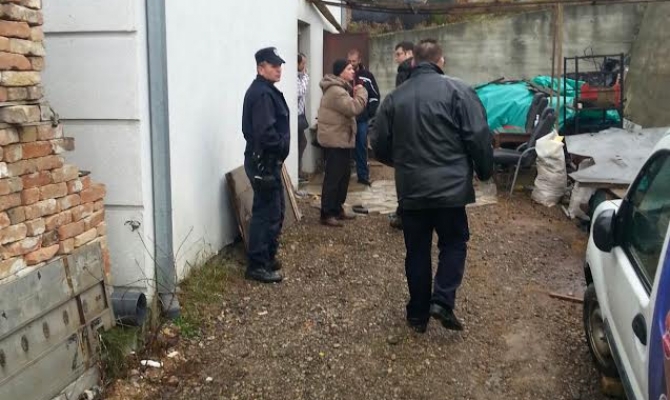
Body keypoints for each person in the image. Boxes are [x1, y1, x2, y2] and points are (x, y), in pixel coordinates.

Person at [371, 39, 494, 333]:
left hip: (412, 189)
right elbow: (478, 136)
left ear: (413, 62)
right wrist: (484, 171)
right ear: (441, 61)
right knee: (453, 242)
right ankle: (442, 300)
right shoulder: (460, 92)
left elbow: (378, 143)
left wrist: (402, 164)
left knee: (417, 250)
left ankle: (417, 315)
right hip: (451, 191)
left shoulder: (395, 98)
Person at [241, 47, 291, 283]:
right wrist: (280, 146)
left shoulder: (266, 90)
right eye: (273, 65)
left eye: (280, 65)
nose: (279, 69)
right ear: (261, 68)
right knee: (266, 213)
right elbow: (265, 133)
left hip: (267, 161)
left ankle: (267, 256)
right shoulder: (262, 94)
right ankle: (257, 265)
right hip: (263, 161)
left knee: (275, 210)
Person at [317, 59, 368, 227]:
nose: (353, 71)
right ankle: (326, 213)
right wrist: (362, 93)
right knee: (334, 178)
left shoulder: (341, 89)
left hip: (342, 139)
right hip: (335, 140)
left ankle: (337, 209)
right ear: (341, 72)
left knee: (343, 177)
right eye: (349, 69)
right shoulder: (336, 91)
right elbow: (353, 108)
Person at [388, 41, 415, 231]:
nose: (396, 58)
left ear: (409, 53)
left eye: (399, 54)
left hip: (407, 131)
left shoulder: (405, 72)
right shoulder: (421, 72)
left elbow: (401, 102)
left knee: (405, 175)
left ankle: (403, 214)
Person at [347, 49, 380, 186]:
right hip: (347, 118)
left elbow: (375, 96)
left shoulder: (367, 76)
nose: (351, 63)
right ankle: (345, 175)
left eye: (354, 61)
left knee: (361, 145)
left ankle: (363, 175)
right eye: (349, 61)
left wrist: (369, 113)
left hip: (361, 119)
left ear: (359, 60)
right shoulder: (345, 75)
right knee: (345, 146)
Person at [297, 52, 310, 183]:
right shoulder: (296, 77)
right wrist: (306, 76)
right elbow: (300, 91)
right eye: (303, 63)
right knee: (301, 143)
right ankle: (297, 172)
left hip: (300, 116)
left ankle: (298, 171)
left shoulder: (299, 76)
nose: (305, 66)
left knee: (302, 142)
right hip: (296, 117)